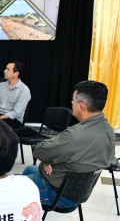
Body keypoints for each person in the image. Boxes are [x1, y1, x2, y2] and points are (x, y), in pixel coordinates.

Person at [23, 81, 116, 209]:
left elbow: (38, 151)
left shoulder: (74, 135)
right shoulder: (109, 130)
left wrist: (50, 153)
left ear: (81, 106)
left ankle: (24, 215)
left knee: (13, 186)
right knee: (29, 170)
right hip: (80, 192)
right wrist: (49, 157)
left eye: (73, 100)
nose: (72, 103)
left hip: (58, 194)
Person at [0, 61, 31, 129]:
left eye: (8, 69)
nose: (4, 71)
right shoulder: (0, 85)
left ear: (16, 73)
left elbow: (16, 112)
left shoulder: (24, 90)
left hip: (13, 119)